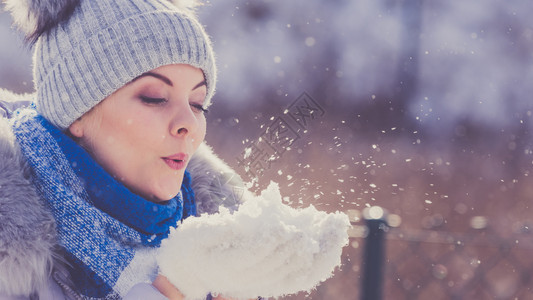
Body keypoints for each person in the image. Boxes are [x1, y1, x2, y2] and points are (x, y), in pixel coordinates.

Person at [0, 0, 247, 298]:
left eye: (197, 103)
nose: (189, 124)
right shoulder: (11, 272)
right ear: (76, 112)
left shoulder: (221, 251)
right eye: (155, 97)